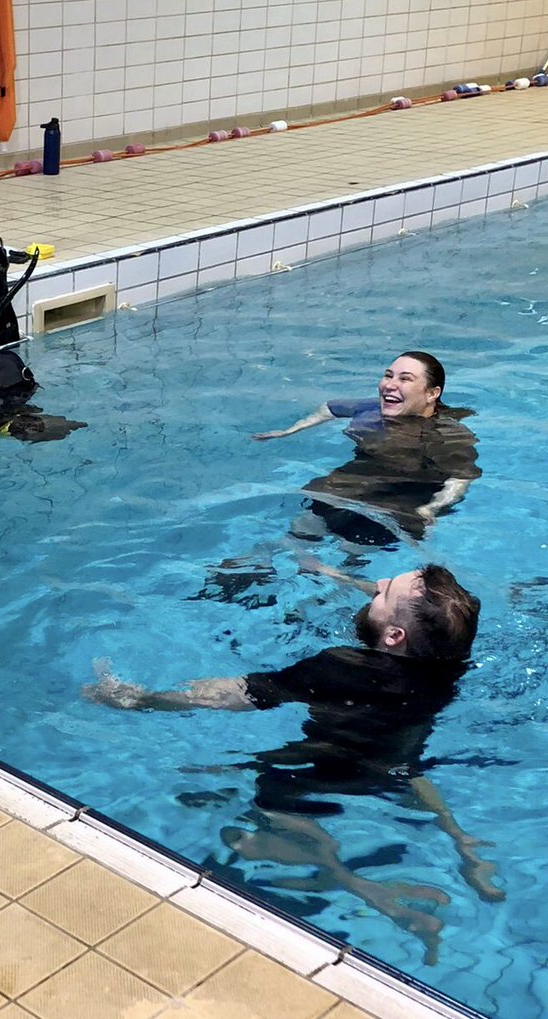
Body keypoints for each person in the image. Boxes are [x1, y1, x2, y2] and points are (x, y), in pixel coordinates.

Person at [84, 564, 501, 962]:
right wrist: (333, 574)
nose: (379, 582)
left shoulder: (340, 667)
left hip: (319, 769)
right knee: (405, 770)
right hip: (392, 765)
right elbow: (414, 615)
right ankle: (462, 841)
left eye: (385, 591)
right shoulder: (446, 669)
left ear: (394, 635)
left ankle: (362, 887)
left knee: (254, 819)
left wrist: (143, 701)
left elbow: (247, 694)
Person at [253, 352, 480, 543]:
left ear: (432, 394)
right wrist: (290, 431)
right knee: (306, 516)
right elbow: (330, 408)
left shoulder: (447, 434)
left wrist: (431, 509)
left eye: (405, 379)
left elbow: (461, 478)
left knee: (356, 546)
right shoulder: (370, 409)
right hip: (358, 478)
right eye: (388, 375)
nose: (390, 385)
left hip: (408, 494)